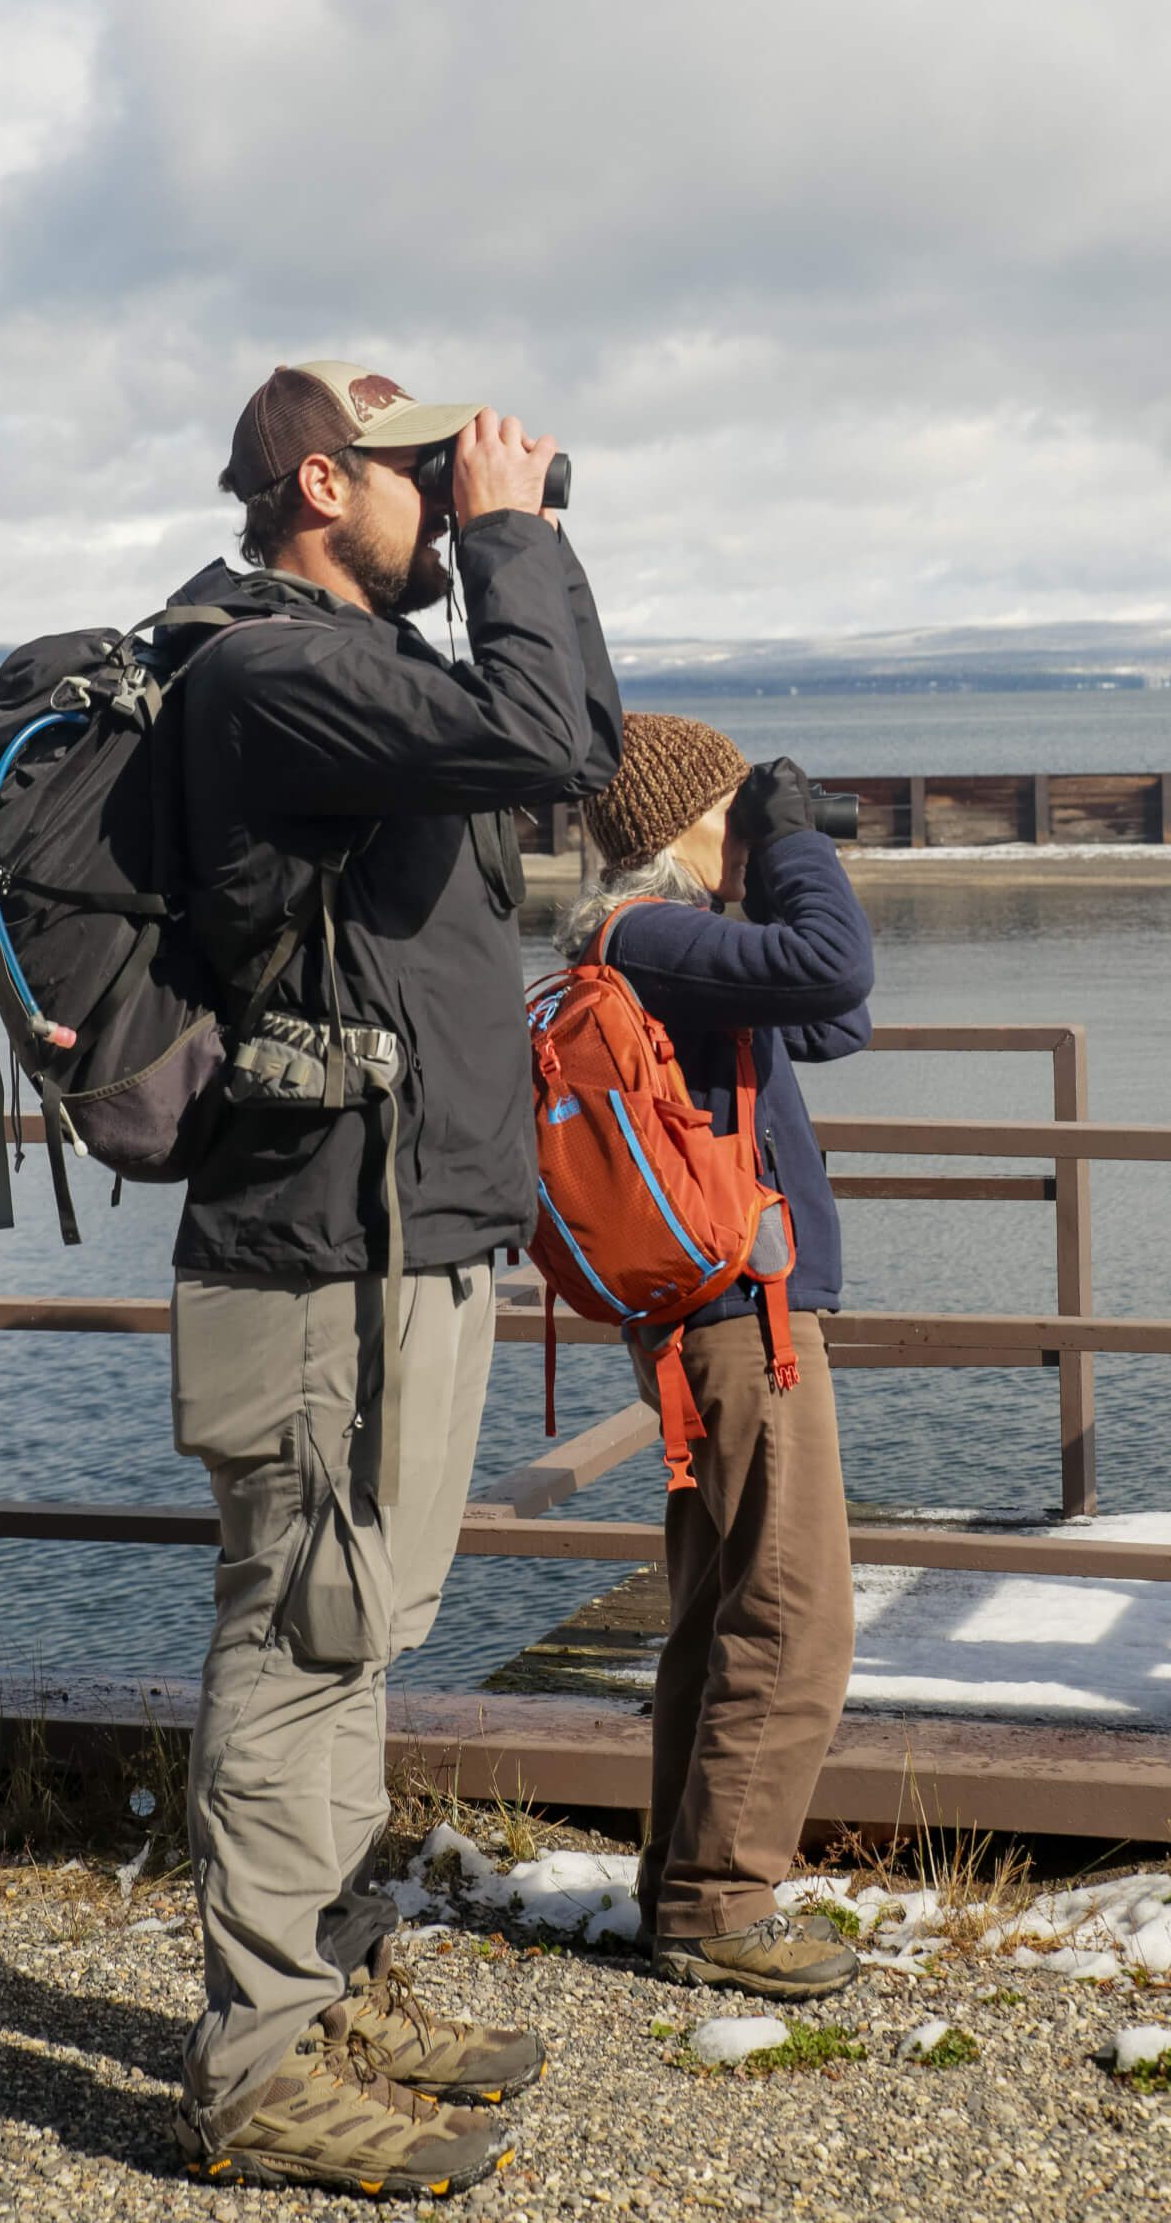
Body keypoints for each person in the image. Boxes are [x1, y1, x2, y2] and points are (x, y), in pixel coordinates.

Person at [165, 362, 621, 2198]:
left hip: (406, 1234)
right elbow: (551, 747)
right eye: (422, 475)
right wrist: (509, 533)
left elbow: (563, 739)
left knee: (363, 1633)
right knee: (294, 1639)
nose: (451, 495)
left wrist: (513, 543)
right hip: (317, 1256)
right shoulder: (270, 669)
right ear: (321, 481)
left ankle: (326, 1986)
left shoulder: (371, 676)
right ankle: (256, 2064)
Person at [566, 715, 873, 1999]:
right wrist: (797, 844)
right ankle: (717, 1904)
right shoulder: (646, 935)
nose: (753, 825)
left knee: (722, 1608)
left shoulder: (680, 955)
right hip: (745, 1327)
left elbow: (836, 1008)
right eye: (737, 807)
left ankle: (684, 1886)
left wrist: (782, 860)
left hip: (732, 1325)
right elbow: (830, 957)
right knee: (794, 1612)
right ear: (682, 823)